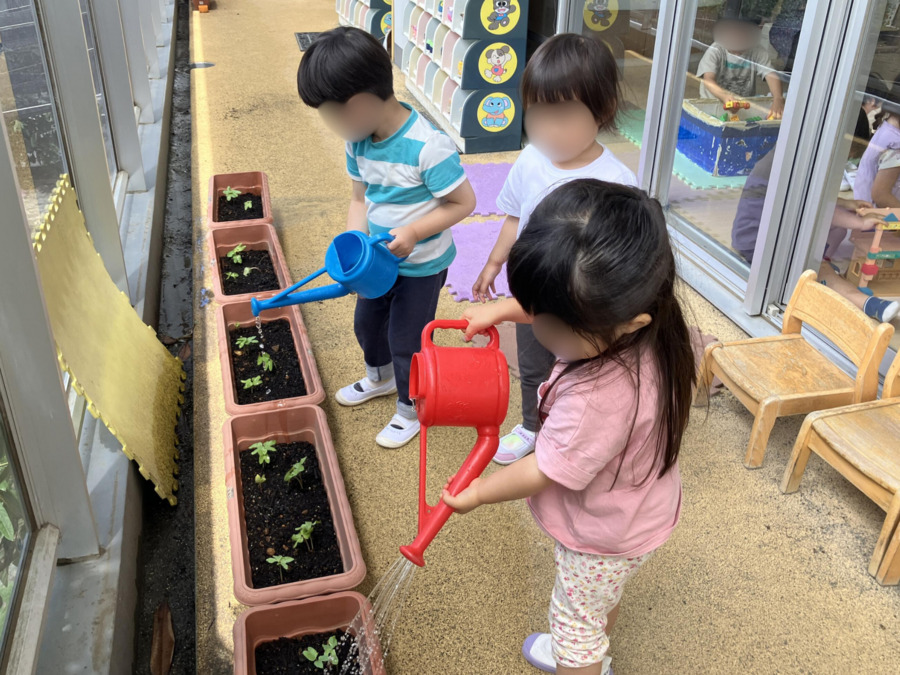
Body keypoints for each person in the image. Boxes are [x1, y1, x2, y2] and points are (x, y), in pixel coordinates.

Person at [448, 179, 695, 675]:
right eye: (535, 311)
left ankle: (583, 662)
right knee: (596, 603)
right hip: (638, 512)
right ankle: (596, 649)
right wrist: (502, 307)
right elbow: (554, 304)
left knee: (574, 626)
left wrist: (477, 493)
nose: (538, 331)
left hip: (603, 533)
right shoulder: (649, 327)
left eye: (555, 329)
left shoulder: (596, 400)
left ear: (629, 321)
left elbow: (544, 468)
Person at [296, 27, 476, 448]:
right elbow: (359, 198)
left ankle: (411, 406)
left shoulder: (427, 148)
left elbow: (464, 203)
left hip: (421, 266)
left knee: (407, 339)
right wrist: (354, 244)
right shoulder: (358, 142)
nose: (331, 126)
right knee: (367, 324)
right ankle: (379, 378)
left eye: (330, 116)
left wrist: (414, 231)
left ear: (358, 105)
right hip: (378, 263)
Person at [471, 33, 638, 465]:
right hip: (531, 294)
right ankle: (532, 425)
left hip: (584, 305)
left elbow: (625, 260)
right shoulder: (530, 159)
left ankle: (577, 432)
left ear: (602, 109)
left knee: (584, 371)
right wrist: (493, 263)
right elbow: (515, 215)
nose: (548, 130)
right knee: (533, 365)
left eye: (562, 116)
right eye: (538, 115)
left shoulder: (617, 183)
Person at [731, 114, 897, 322]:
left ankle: (819, 266)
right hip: (757, 242)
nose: (847, 160)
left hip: (773, 230)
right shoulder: (800, 164)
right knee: (819, 267)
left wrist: (846, 204)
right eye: (848, 154)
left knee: (838, 230)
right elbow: (819, 208)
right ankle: (866, 303)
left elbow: (811, 199)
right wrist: (861, 222)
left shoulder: (796, 154)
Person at [697, 8, 785, 119]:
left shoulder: (757, 51)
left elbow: (770, 74)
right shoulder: (716, 50)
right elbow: (708, 79)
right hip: (713, 105)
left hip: (742, 106)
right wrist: (724, 96)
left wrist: (778, 98)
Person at [854, 88, 900, 208]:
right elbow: (881, 195)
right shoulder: (896, 144)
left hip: (864, 208)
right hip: (879, 215)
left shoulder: (888, 128)